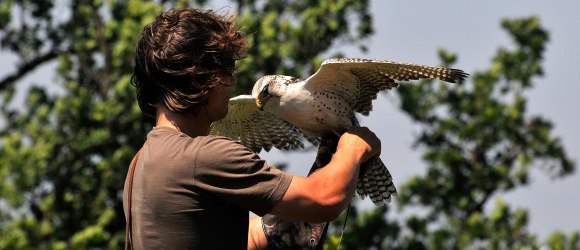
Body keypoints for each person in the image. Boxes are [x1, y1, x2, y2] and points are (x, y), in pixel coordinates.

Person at [123, 8, 381, 250]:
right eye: (226, 70)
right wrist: (353, 148)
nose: (232, 81)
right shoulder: (204, 156)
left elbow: (232, 237)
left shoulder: (141, 164)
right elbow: (326, 199)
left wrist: (279, 226)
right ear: (202, 78)